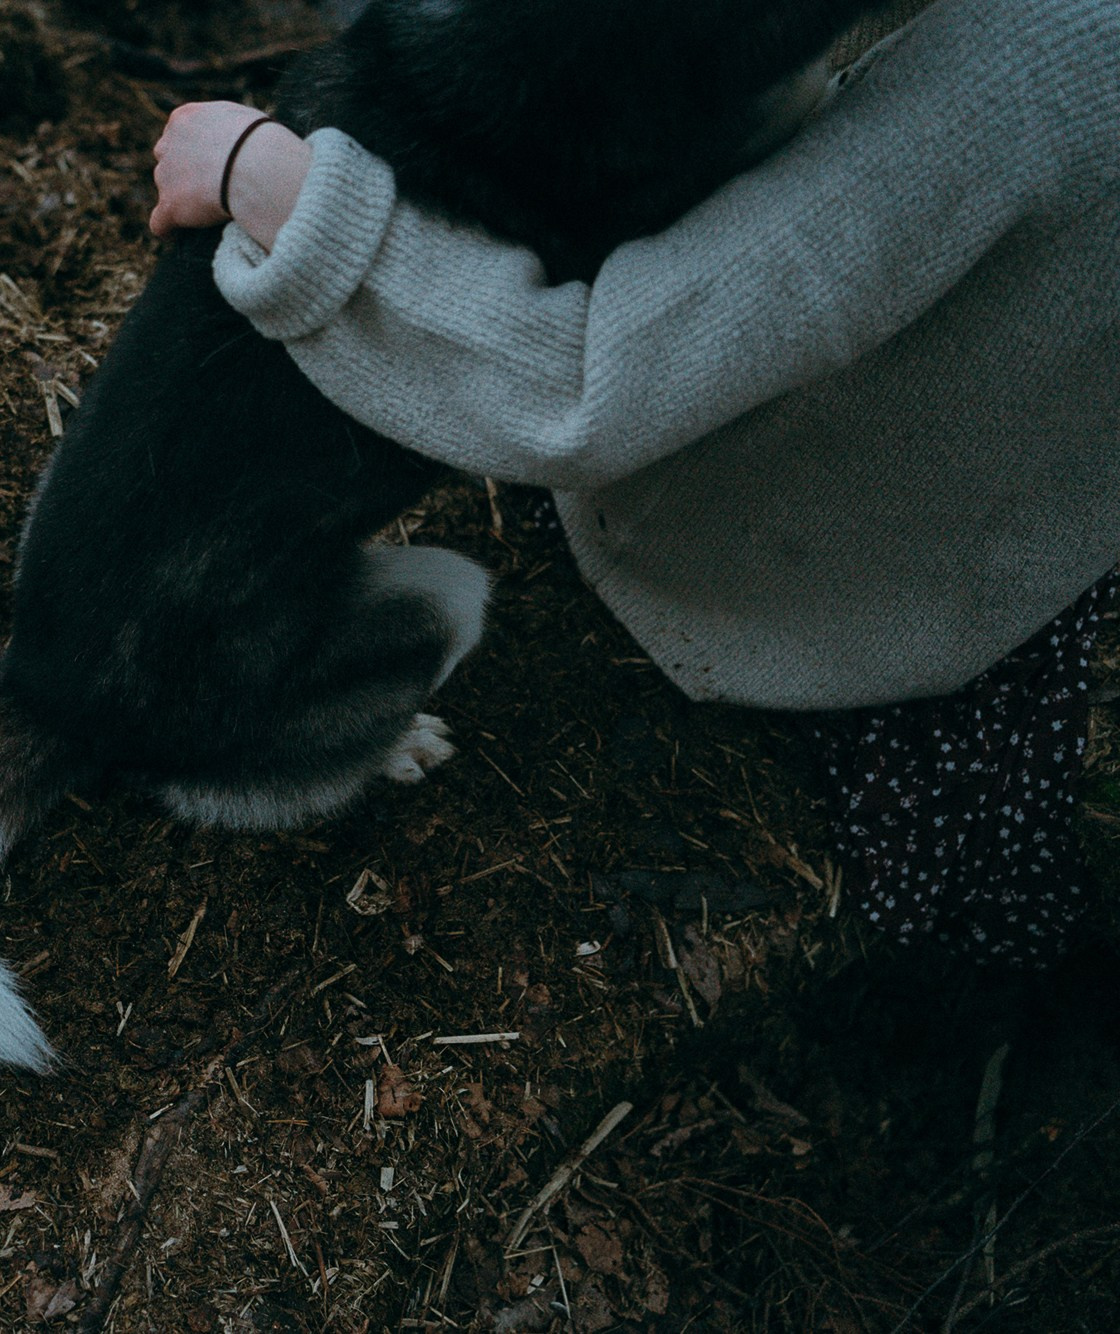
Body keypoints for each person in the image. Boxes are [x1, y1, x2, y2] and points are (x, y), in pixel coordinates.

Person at [146, 0, 1120, 967]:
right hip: (1016, 513)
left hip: (841, 567)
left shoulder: (1028, 60)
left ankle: (944, 1017)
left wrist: (283, 191)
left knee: (930, 935)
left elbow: (587, 394)